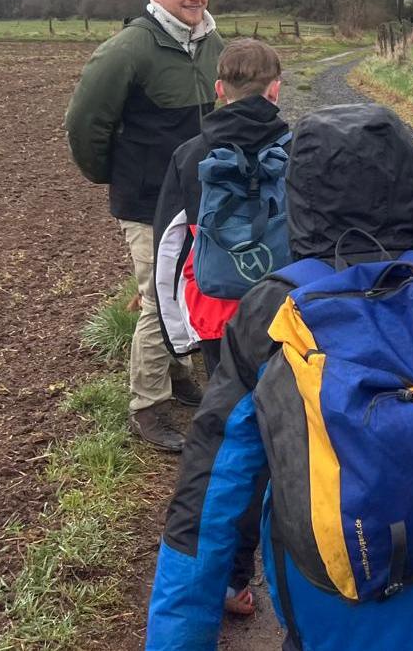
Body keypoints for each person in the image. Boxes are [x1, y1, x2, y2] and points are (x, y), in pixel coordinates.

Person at [146, 104, 413, 651]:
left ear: (297, 198)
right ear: (412, 189)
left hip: (325, 606)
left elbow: (211, 493)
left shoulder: (270, 313)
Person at [66, 0, 224, 452]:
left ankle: (176, 376)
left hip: (195, 196)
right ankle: (147, 405)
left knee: (185, 290)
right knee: (161, 298)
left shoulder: (210, 41)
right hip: (148, 200)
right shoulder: (128, 50)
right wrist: (110, 176)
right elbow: (85, 123)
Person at [150, 37, 286, 618]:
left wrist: (175, 335)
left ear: (219, 91)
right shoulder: (298, 145)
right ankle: (305, 572)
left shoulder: (189, 155)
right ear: (277, 89)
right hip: (286, 314)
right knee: (293, 437)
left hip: (217, 321)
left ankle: (230, 581)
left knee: (233, 445)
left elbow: (169, 248)